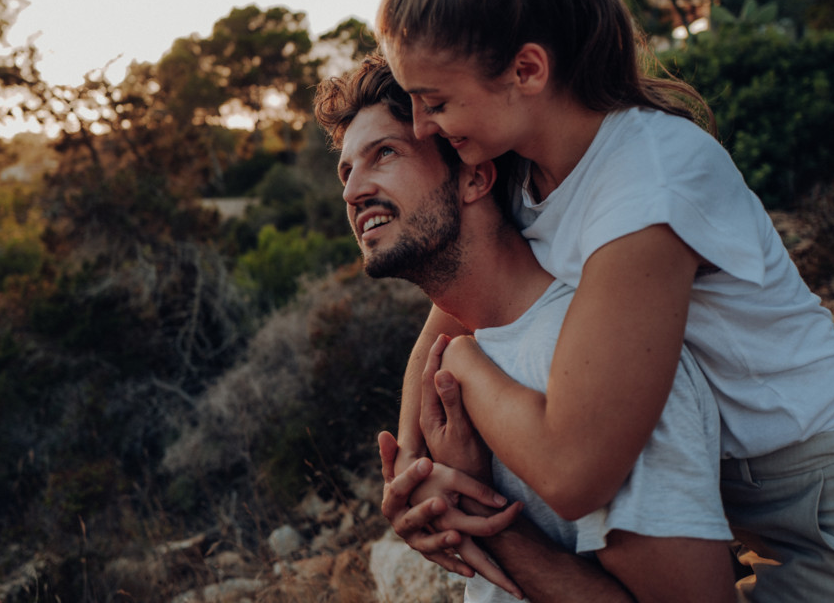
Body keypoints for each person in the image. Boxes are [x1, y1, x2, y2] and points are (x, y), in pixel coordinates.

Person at [375, 0, 834, 601]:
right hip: (755, 514)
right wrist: (415, 485)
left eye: (436, 101)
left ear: (528, 71)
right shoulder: (519, 175)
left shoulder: (649, 178)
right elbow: (444, 331)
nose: (420, 127)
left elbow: (576, 472)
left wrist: (472, 368)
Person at [314, 56, 736, 603]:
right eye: (346, 172)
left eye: (384, 154)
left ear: (475, 176)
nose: (352, 193)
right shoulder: (471, 354)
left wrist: (479, 511)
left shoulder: (596, 359)